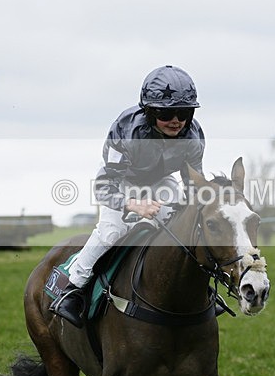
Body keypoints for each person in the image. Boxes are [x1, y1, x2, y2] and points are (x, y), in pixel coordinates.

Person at [49, 65, 205, 327]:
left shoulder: (193, 136)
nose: (176, 120)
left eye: (184, 113)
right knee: (111, 231)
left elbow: (193, 184)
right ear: (150, 112)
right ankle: (72, 290)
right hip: (120, 181)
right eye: (167, 113)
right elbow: (105, 185)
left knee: (184, 226)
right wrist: (133, 205)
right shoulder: (126, 130)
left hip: (160, 181)